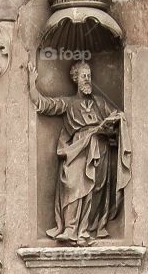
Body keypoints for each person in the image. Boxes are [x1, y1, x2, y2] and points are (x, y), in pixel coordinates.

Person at [29, 59, 131, 245]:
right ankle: (70, 228)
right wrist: (31, 84)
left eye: (89, 76)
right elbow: (44, 105)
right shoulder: (69, 104)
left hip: (100, 149)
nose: (87, 80)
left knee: (95, 190)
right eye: (84, 76)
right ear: (75, 79)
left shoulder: (100, 103)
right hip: (77, 149)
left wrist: (115, 119)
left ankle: (86, 229)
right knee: (73, 184)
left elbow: (116, 119)